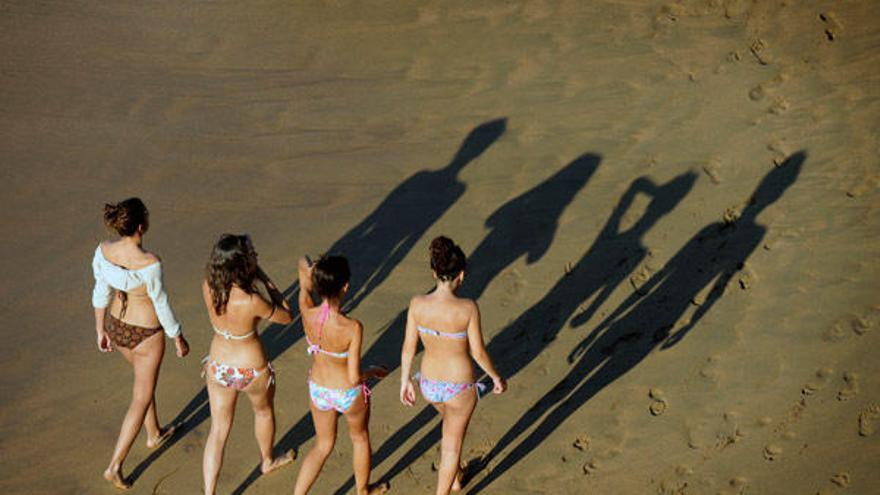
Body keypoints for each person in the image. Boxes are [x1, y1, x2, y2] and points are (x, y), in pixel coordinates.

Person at [91, 197, 190, 490]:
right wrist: (178, 336)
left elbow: (100, 291)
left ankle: (154, 432)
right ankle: (115, 466)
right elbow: (161, 304)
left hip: (117, 328)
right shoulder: (150, 263)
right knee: (140, 396)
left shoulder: (103, 251)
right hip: (146, 334)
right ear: (140, 226)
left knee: (143, 385)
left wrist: (100, 331)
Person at [400, 236, 506, 495]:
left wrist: (405, 381)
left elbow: (408, 347)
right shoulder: (467, 308)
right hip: (459, 387)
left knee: (450, 425)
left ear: (434, 272)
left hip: (428, 384)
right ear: (461, 274)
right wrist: (495, 377)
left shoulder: (417, 304)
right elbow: (478, 352)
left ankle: (457, 477)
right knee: (451, 446)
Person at [201, 234, 295, 494]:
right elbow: (287, 315)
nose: (257, 255)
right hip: (250, 369)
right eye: (252, 253)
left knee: (218, 430)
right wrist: (264, 277)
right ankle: (267, 461)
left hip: (218, 365)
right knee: (263, 412)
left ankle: (209, 493)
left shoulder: (208, 286)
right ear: (243, 265)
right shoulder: (252, 300)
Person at [293, 255, 389, 495]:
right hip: (347, 391)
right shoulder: (352, 327)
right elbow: (355, 376)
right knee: (359, 439)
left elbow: (303, 278)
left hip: (319, 388)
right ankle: (363, 491)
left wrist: (307, 269)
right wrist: (374, 371)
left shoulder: (306, 311)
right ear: (345, 287)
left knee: (322, 446)